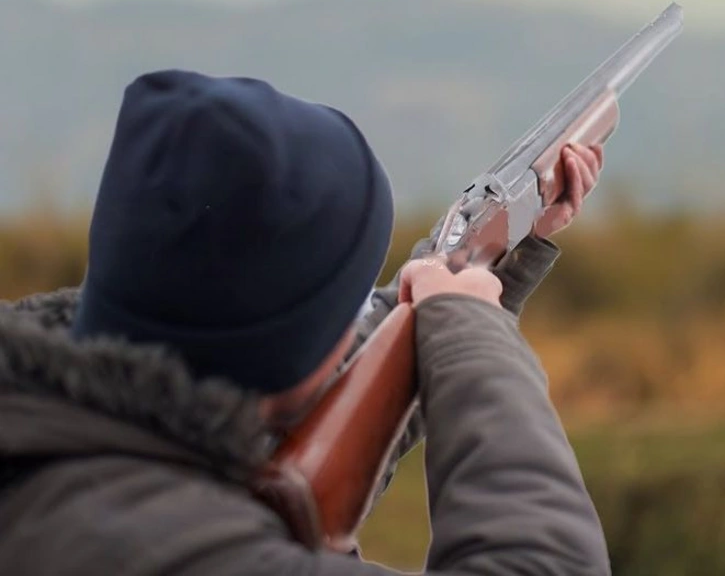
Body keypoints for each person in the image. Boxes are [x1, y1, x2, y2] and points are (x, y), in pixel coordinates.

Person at [0, 69, 611, 574]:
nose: (366, 320)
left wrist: (498, 260)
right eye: (349, 306)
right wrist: (470, 331)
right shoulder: (193, 551)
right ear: (284, 351)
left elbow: (336, 388)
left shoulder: (61, 451)